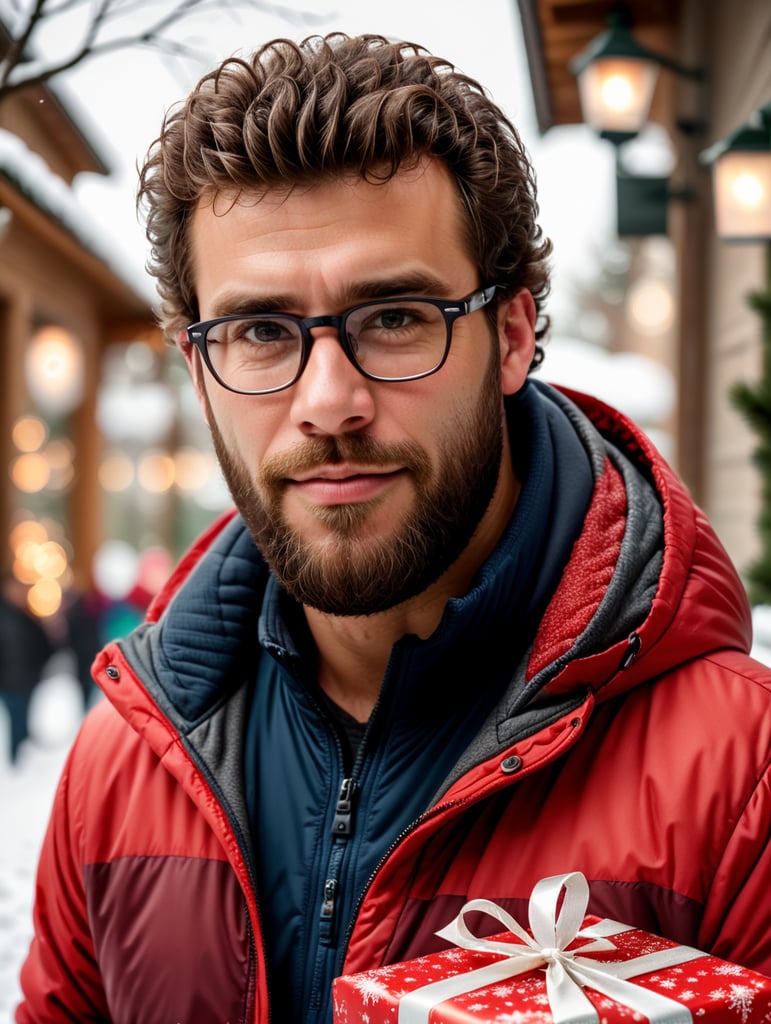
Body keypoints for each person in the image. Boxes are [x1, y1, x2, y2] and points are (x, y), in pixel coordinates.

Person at [16, 32, 771, 1024]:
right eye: (259, 330)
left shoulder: (738, 775)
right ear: (200, 371)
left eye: (396, 316)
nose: (329, 402)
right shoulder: (120, 770)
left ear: (510, 337)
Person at [0, 574, 54, 765]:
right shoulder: (7, 616)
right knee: (15, 724)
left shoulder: (26, 615)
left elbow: (42, 644)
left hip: (25, 679)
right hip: (10, 682)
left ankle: (22, 761)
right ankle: (16, 761)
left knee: (22, 722)